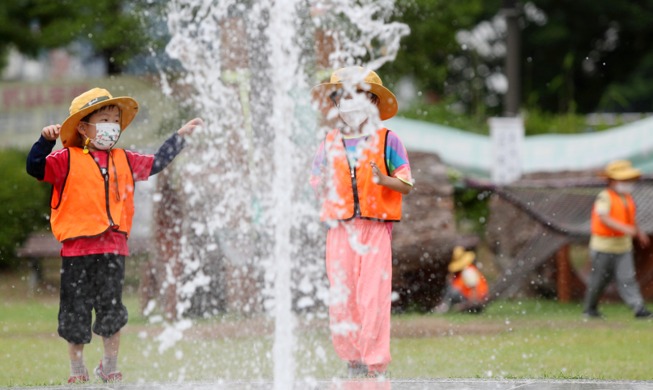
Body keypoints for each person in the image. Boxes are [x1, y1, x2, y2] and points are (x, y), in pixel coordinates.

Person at [26, 87, 203, 383]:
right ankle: (77, 370)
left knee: (112, 310)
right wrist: (44, 142)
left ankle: (110, 365)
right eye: (104, 119)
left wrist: (179, 137)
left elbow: (156, 162)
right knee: (75, 312)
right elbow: (34, 167)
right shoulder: (65, 159)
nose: (112, 127)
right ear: (83, 127)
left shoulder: (125, 158)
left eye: (115, 121)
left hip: (113, 249)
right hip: (77, 251)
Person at [310, 67, 413, 378]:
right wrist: (324, 184)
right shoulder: (328, 142)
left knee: (373, 295)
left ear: (371, 100)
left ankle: (375, 361)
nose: (350, 102)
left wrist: (385, 179)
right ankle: (351, 357)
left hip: (374, 228)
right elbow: (316, 180)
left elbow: (406, 182)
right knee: (343, 296)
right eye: (344, 96)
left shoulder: (388, 140)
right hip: (339, 229)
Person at [583, 160, 652, 319]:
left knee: (627, 278)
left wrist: (638, 232)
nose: (627, 184)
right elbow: (603, 217)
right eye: (623, 180)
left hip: (623, 247)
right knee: (598, 281)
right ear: (612, 181)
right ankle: (590, 309)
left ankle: (638, 308)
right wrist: (625, 229)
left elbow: (630, 219)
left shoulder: (627, 198)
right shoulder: (605, 197)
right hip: (603, 247)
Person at [435, 246, 488, 314]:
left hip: (473, 298)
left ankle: (444, 307)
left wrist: (471, 303)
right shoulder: (468, 270)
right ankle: (445, 307)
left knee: (452, 290)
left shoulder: (468, 271)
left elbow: (474, 288)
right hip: (472, 297)